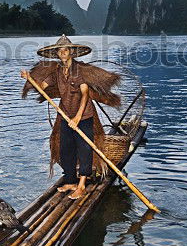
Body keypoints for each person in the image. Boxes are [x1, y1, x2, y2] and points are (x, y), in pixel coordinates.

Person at [20, 35, 120, 200]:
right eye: (60, 50)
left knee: (85, 149)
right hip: (66, 116)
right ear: (57, 53)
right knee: (66, 149)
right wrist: (29, 78)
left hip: (83, 116)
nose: (62, 53)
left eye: (65, 50)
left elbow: (85, 94)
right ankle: (71, 181)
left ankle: (81, 186)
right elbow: (42, 87)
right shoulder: (57, 72)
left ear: (71, 52)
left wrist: (78, 118)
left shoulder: (80, 70)